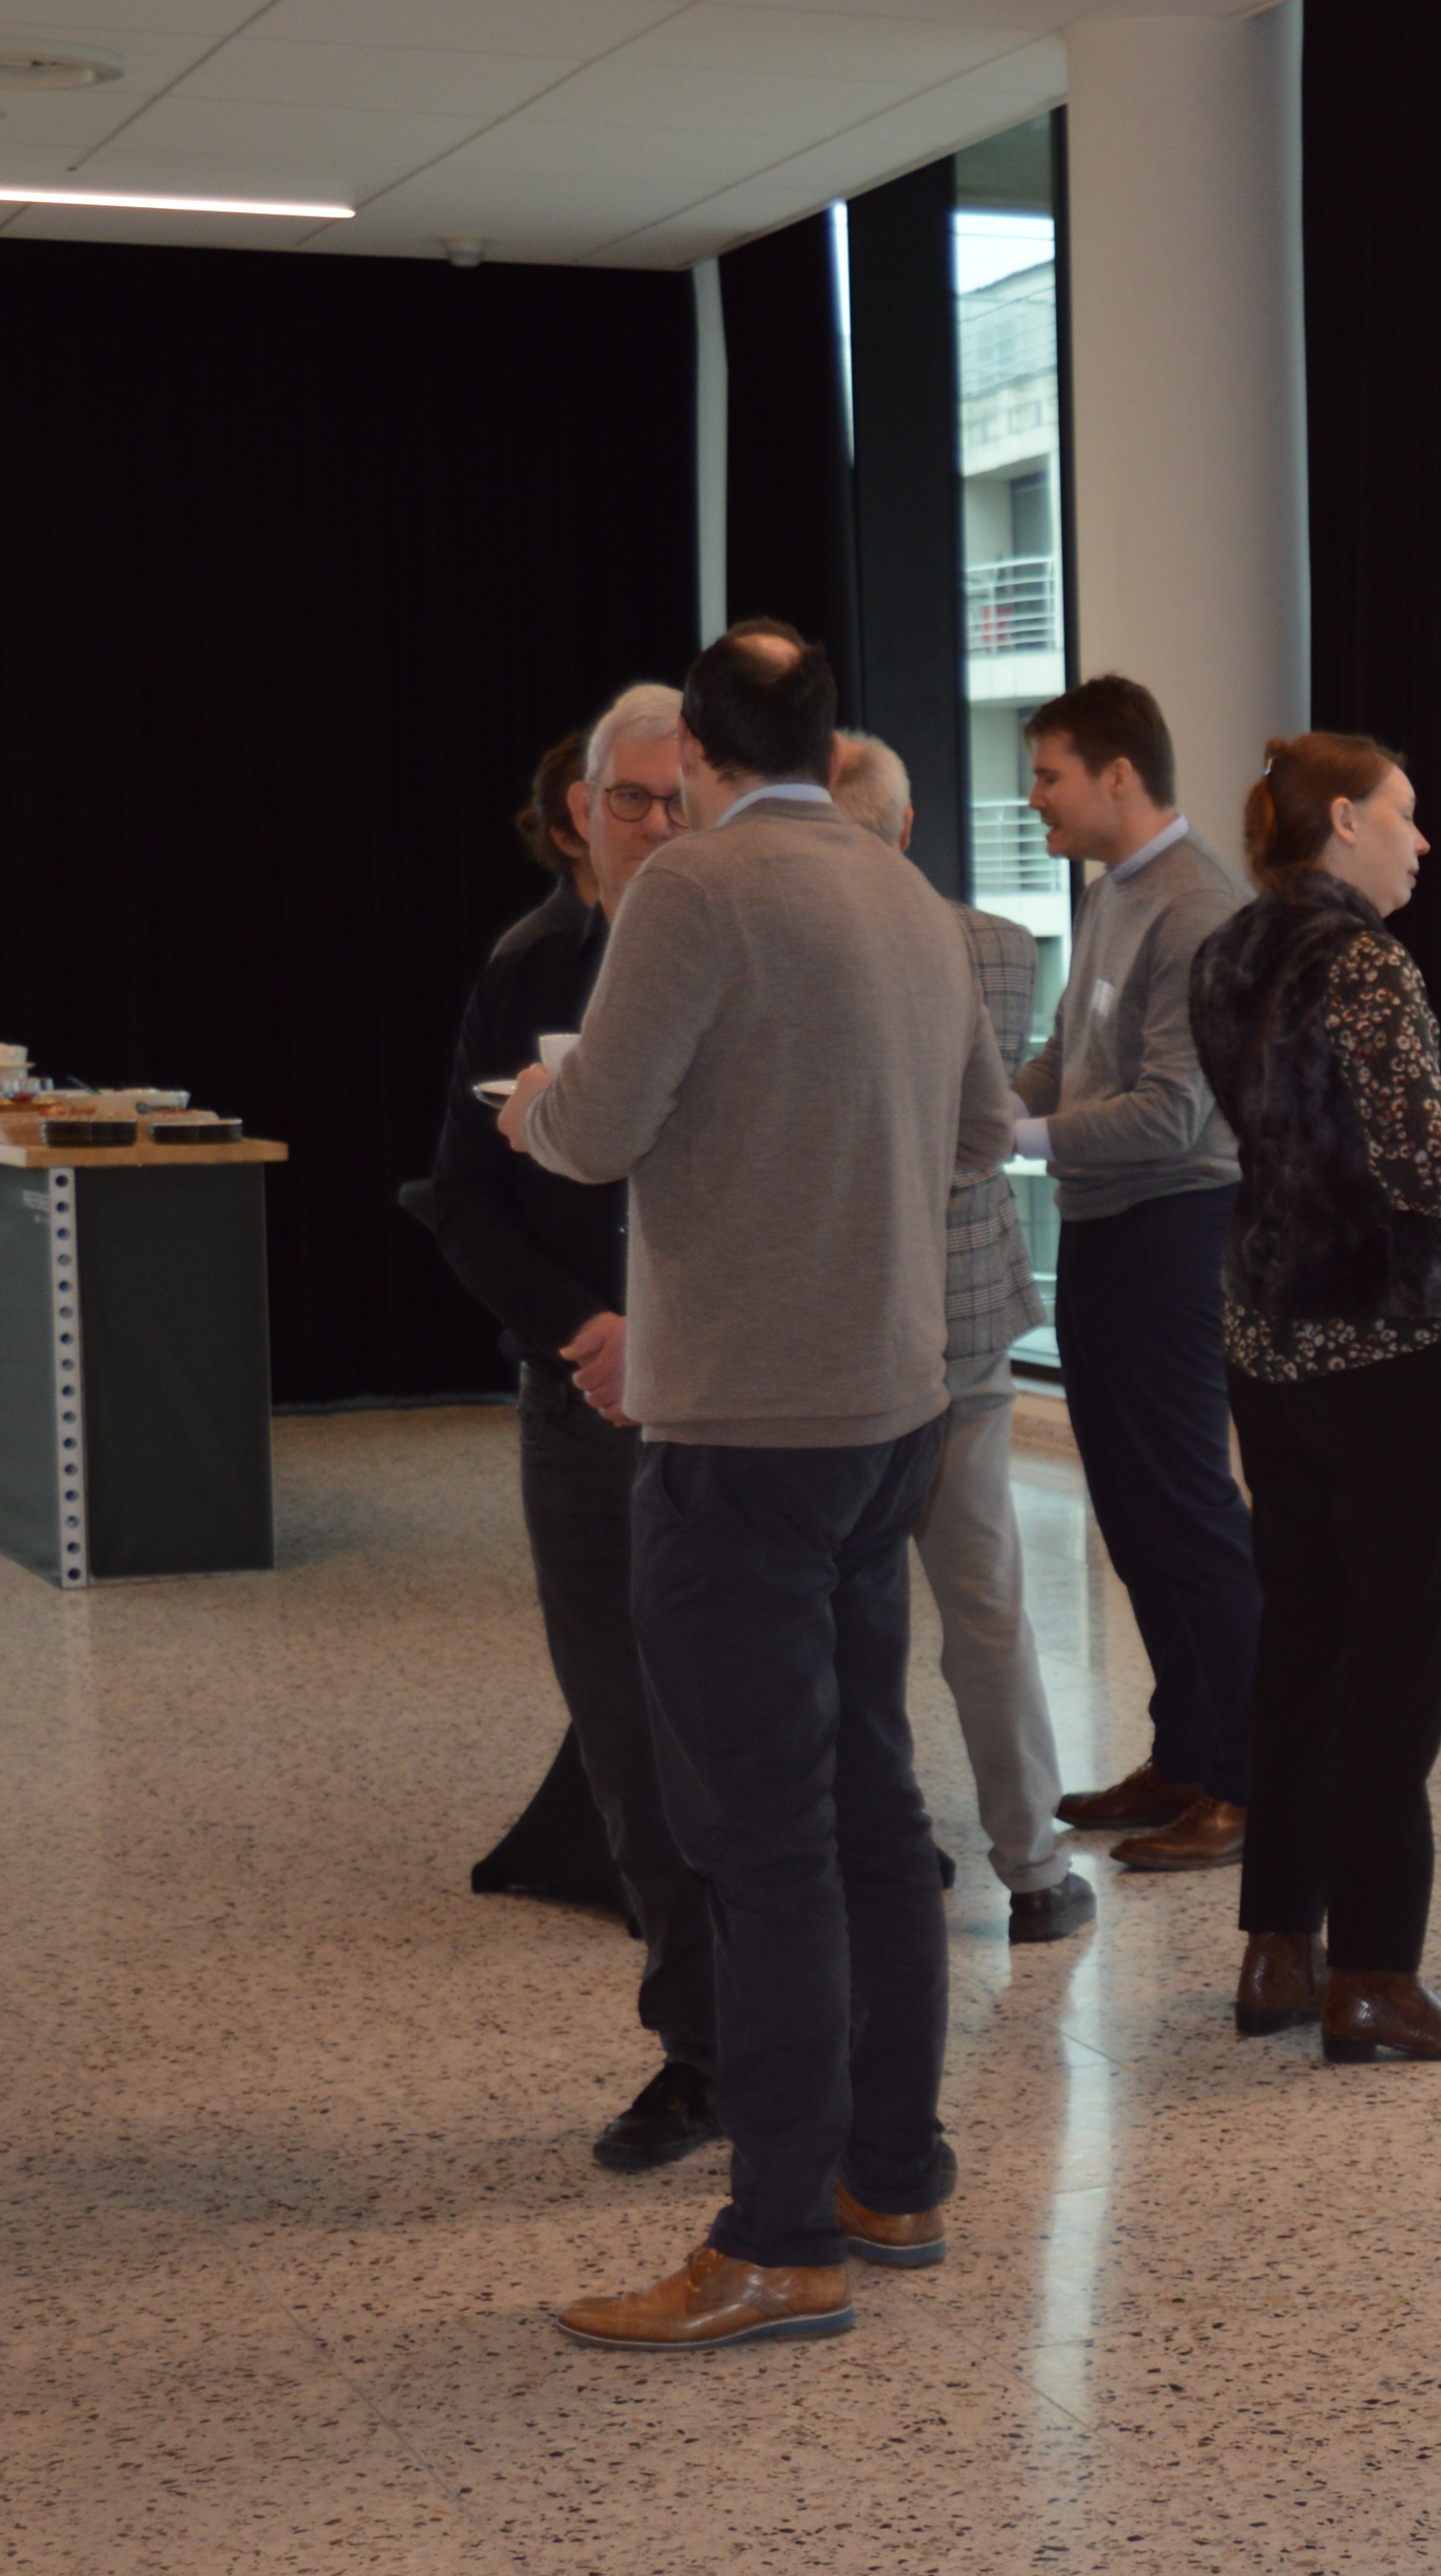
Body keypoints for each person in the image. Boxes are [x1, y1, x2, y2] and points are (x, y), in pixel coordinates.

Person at [503, 623, 1013, 2353]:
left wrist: (537, 1102)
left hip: (739, 1433)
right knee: (872, 1809)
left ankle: (780, 2238)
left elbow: (597, 1130)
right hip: (890, 1414)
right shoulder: (909, 895)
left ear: (707, 758)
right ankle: (895, 2176)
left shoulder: (695, 891)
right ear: (831, 746)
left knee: (759, 1842)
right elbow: (981, 1136)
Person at [1190, 733, 1441, 2063]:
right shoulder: (1368, 962)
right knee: (1397, 1667)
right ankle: (1377, 1974)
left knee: (1304, 1648)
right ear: (1342, 819)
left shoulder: (1228, 949)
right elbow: (1426, 1169)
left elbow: (1283, 1136)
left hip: (1267, 1340)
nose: (1421, 841)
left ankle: (1279, 1948)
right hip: (1388, 1347)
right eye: (1405, 814)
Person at [424, 691, 722, 2175]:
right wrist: (591, 1333)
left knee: (751, 1746)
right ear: (579, 816)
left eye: (682, 799)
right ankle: (699, 2051)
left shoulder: (747, 952)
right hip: (583, 1409)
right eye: (631, 801)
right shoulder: (528, 970)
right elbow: (463, 1200)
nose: (658, 826)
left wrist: (670, 1338)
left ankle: (817, 2047)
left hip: (729, 1410)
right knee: (628, 1754)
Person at [831, 732, 1092, 1945]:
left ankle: (872, 1845)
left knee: (843, 1601)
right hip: (965, 1312)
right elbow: (986, 1122)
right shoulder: (995, 944)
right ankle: (1033, 1867)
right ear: (905, 824)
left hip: (834, 1318)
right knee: (984, 1598)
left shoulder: (778, 945)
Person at [1012, 674, 1259, 1873]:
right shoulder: (1112, 891)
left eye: (1049, 775)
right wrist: (980, 1105)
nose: (1034, 798)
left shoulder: (1198, 905)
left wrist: (1012, 1139)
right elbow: (1068, 1056)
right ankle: (1188, 1752)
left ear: (1119, 775)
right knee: (1132, 1509)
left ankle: (1253, 1780)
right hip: (1108, 1230)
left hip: (1175, 1230)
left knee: (1189, 1511)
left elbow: (1171, 1114)